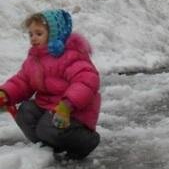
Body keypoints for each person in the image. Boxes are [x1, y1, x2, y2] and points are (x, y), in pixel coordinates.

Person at [0, 9, 101, 160]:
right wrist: (6, 94)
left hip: (72, 111)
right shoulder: (35, 58)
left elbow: (86, 81)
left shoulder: (71, 55)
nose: (33, 38)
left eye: (39, 33)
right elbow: (22, 81)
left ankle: (86, 141)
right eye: (31, 34)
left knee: (46, 127)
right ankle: (49, 147)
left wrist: (67, 105)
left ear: (54, 34)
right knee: (25, 111)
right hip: (48, 109)